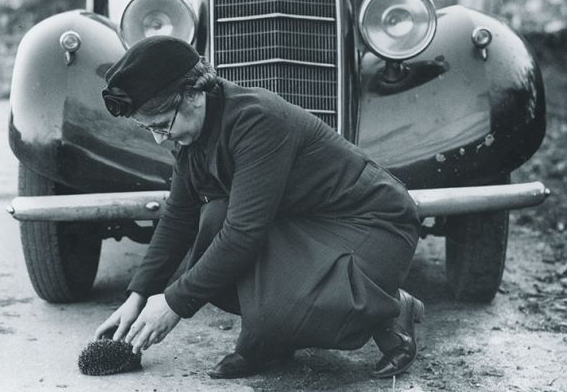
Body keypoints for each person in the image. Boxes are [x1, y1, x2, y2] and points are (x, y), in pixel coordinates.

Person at [94, 36, 424, 379]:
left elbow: (243, 234)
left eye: (162, 124)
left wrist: (174, 303)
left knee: (279, 303)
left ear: (193, 93)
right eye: (149, 129)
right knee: (213, 221)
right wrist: (137, 296)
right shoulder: (191, 133)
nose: (160, 139)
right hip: (308, 222)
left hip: (372, 224)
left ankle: (390, 307)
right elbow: (179, 216)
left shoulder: (257, 119)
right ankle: (270, 337)